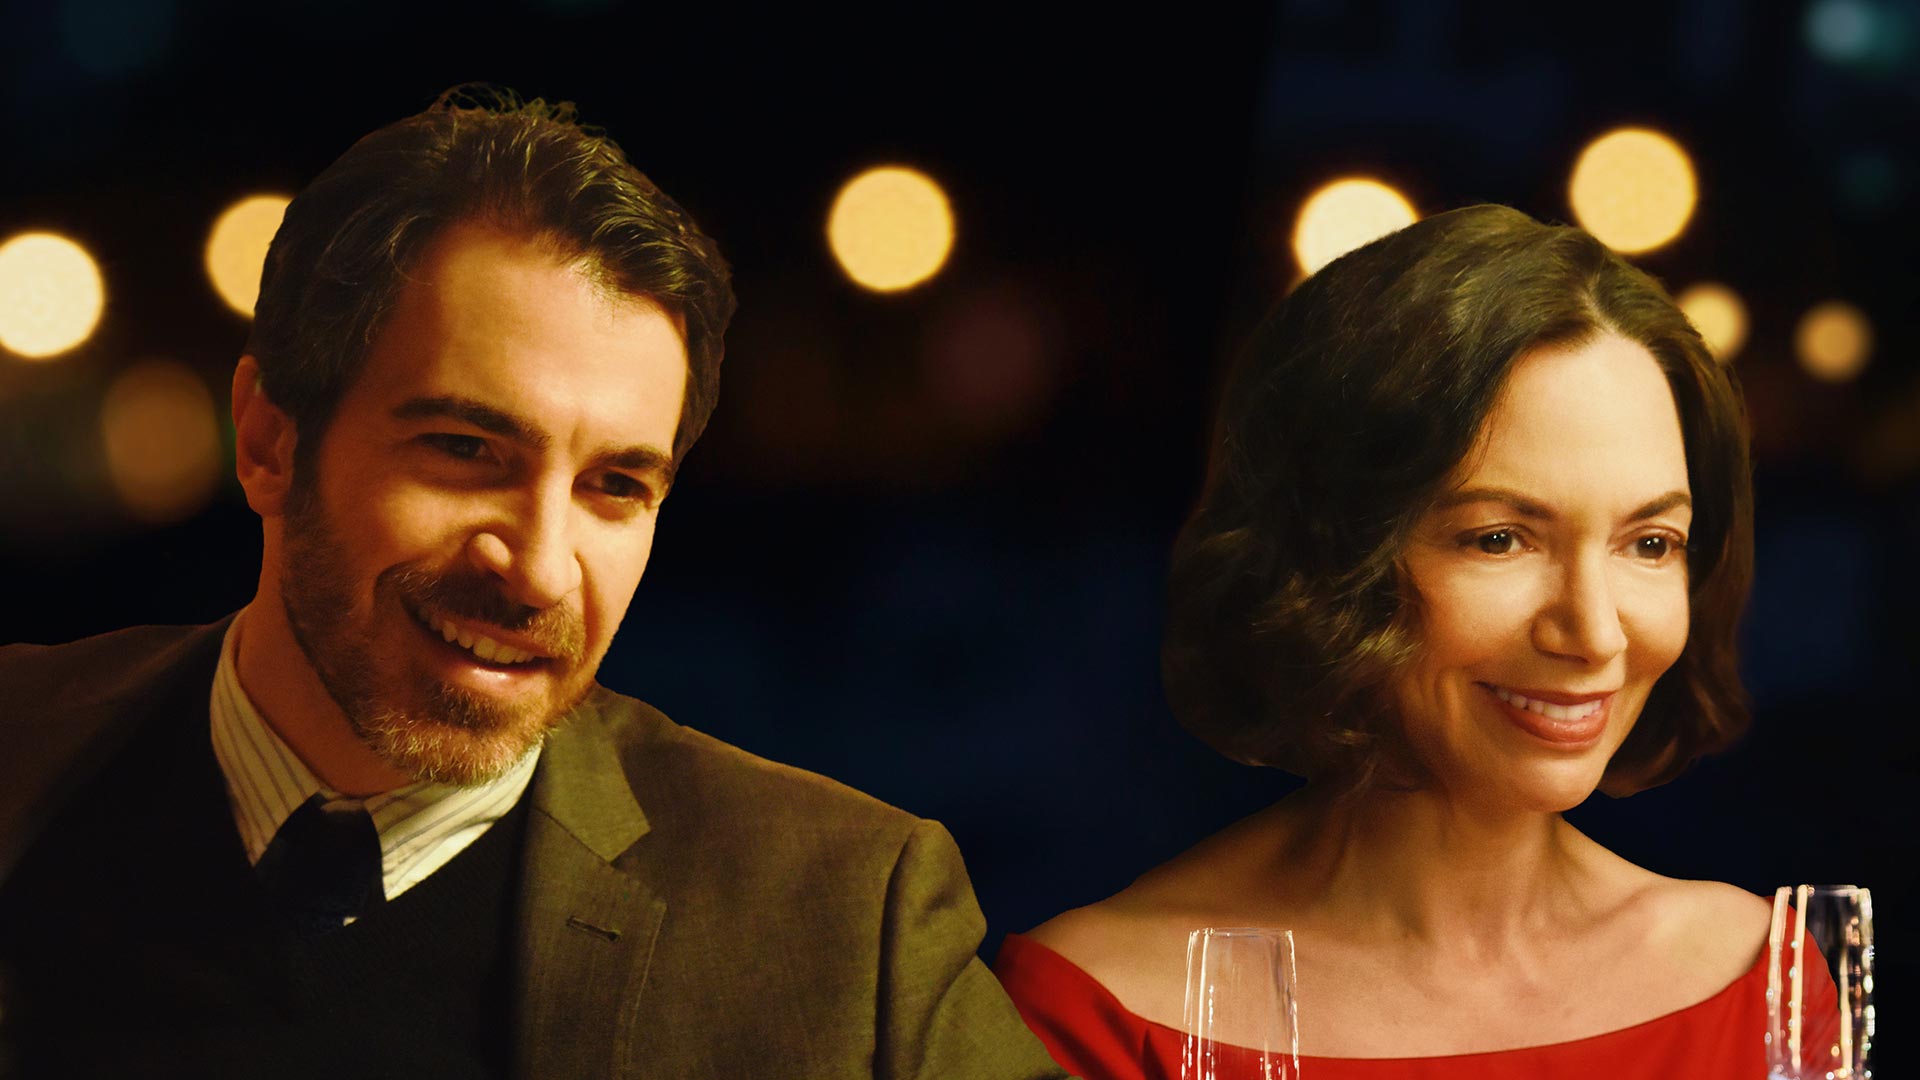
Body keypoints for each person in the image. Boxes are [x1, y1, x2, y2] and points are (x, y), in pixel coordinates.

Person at [0, 88, 1066, 1080]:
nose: (542, 567)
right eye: (466, 450)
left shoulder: (842, 923)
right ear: (270, 443)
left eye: (615, 486)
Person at [994, 205, 1818, 1076]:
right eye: (1499, 538)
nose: (1595, 632)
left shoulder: (1761, 982)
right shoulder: (1101, 1008)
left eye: (1649, 543)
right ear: (1328, 558)